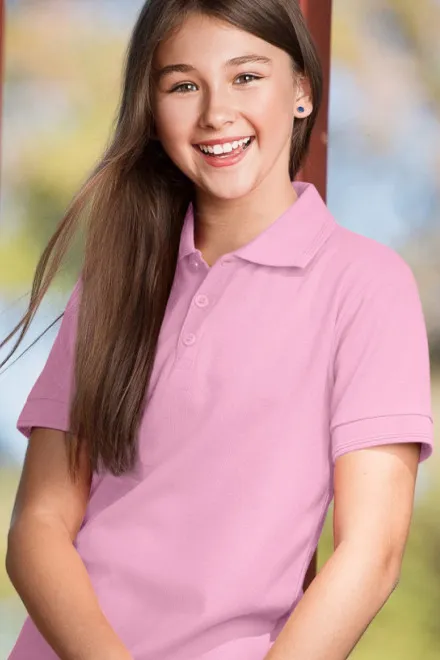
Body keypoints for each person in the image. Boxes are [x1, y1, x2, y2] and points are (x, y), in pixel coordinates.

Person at [3, 1, 434, 659]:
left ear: (302, 90)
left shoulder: (365, 285)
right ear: (152, 109)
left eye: (246, 77)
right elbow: (37, 525)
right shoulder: (114, 281)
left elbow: (371, 554)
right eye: (184, 85)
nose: (215, 113)